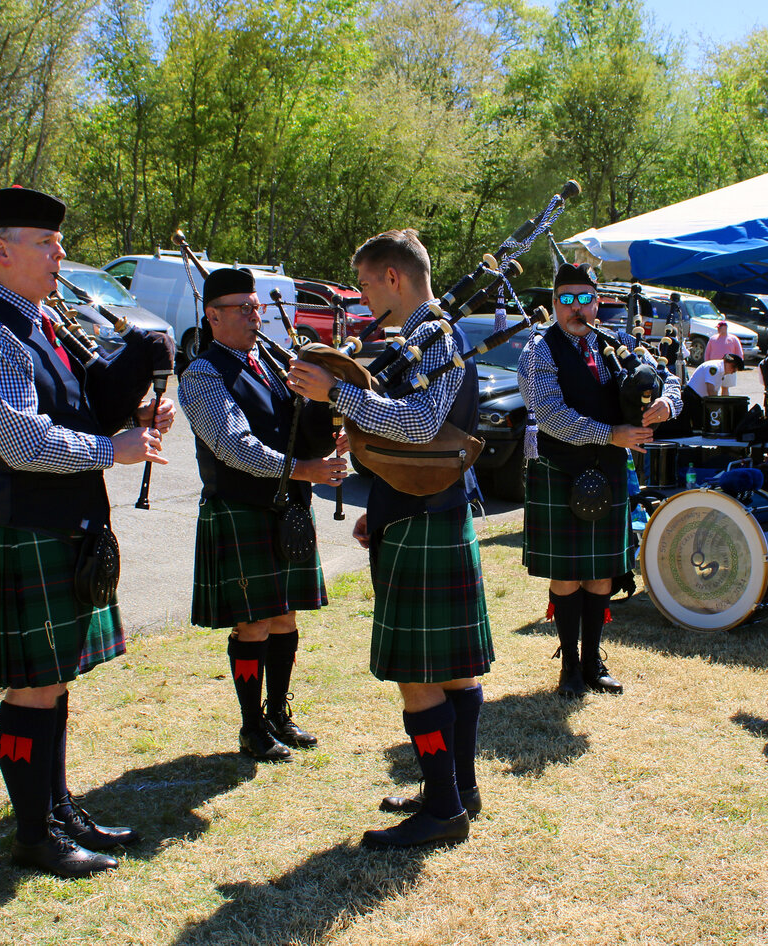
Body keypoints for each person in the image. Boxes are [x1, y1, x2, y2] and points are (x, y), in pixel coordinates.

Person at [0, 187, 175, 877]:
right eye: (45, 243)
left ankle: (58, 808)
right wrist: (116, 451)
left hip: (63, 524)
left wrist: (131, 415)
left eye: (58, 241)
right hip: (21, 526)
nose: (60, 253)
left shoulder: (38, 323)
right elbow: (18, 440)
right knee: (33, 685)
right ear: (0, 250)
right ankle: (33, 835)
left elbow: (72, 409)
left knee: (54, 680)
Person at [287, 229, 491, 849]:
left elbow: (423, 424)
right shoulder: (425, 337)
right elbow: (408, 430)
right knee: (451, 668)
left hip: (426, 519)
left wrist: (337, 394)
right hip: (421, 511)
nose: (365, 296)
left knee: (419, 671)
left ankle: (444, 810)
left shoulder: (436, 336)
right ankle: (455, 788)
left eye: (368, 283)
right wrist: (371, 453)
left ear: (394, 279)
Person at [179, 267, 348, 763]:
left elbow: (295, 422)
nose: (257, 317)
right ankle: (252, 727)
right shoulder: (204, 373)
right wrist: (305, 469)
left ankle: (278, 714)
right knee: (252, 623)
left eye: (257, 308)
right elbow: (234, 447)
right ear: (213, 316)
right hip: (242, 509)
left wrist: (330, 433)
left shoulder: (270, 363)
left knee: (284, 615)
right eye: (244, 309)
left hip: (286, 508)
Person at [517, 263, 682, 696]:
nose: (577, 308)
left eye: (584, 298)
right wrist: (612, 434)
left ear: (596, 302)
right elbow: (551, 417)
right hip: (561, 469)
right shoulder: (539, 350)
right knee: (568, 574)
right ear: (555, 304)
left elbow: (672, 379)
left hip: (607, 470)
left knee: (602, 575)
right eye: (566, 299)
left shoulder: (620, 343)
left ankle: (593, 660)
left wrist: (666, 403)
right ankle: (569, 663)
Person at [687, 354, 743, 427]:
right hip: (693, 397)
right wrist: (716, 408)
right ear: (727, 362)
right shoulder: (714, 368)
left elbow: (716, 390)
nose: (733, 371)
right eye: (733, 367)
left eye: (736, 369)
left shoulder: (720, 370)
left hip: (698, 398)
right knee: (698, 425)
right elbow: (710, 390)